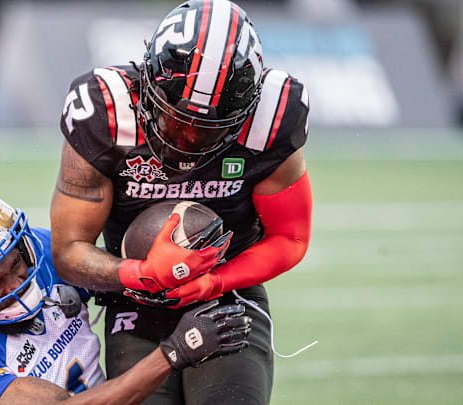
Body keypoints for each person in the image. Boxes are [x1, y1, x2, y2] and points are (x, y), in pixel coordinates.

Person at [50, 0, 313, 404]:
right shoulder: (103, 110)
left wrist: (214, 281)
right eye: (176, 117)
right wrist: (140, 273)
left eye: (208, 128)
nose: (188, 138)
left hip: (229, 288)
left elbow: (290, 238)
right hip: (133, 296)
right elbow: (69, 251)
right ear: (148, 83)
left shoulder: (273, 117)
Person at [0, 184, 252, 404]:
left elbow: (127, 277)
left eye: (14, 262)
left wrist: (162, 270)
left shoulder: (39, 251)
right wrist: (174, 352)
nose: (16, 282)